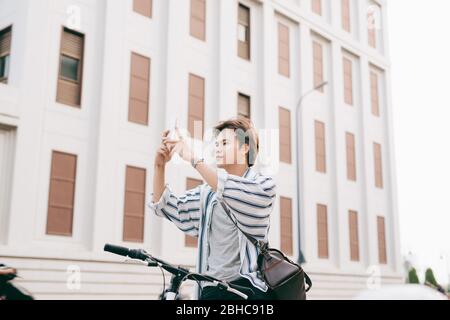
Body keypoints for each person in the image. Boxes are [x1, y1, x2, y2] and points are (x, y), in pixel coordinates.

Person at [147, 118, 276, 300]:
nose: (217, 148)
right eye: (216, 144)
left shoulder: (263, 186)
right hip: (211, 290)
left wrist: (193, 158)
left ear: (245, 148)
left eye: (224, 143)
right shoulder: (208, 193)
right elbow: (168, 206)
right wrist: (159, 166)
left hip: (246, 290)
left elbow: (231, 190)